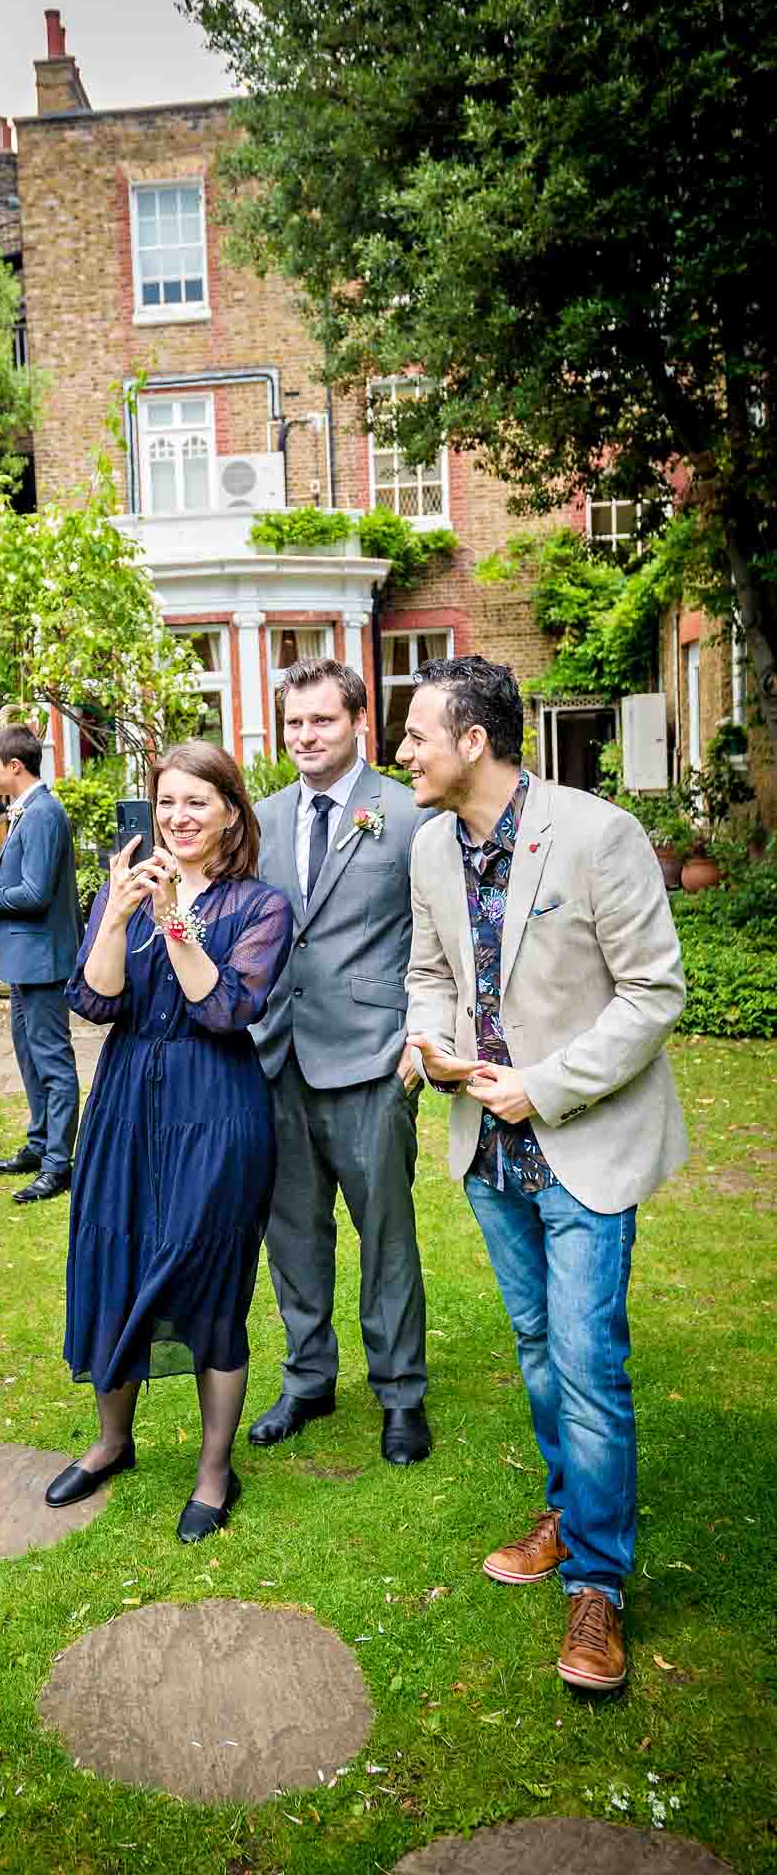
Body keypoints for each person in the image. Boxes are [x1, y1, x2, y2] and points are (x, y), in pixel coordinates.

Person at [400, 655, 687, 1692]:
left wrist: (544, 1086)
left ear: (473, 741)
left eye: (417, 735)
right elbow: (431, 975)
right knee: (533, 1349)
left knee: (587, 1362)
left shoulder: (596, 833)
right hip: (485, 1152)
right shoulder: (431, 848)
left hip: (584, 1146)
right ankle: (571, 1517)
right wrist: (424, 1040)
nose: (404, 752)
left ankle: (601, 1587)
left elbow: (655, 992)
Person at [45, 741, 293, 1542]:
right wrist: (116, 916)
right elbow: (94, 999)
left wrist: (174, 926)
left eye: (197, 803)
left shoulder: (261, 907)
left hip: (217, 1110)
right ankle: (113, 1441)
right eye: (166, 804)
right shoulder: (124, 891)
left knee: (207, 1273)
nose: (178, 818)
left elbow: (224, 1011)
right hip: (125, 1107)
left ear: (230, 814)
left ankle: (215, 1472)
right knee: (112, 1259)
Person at [247, 658, 433, 1466]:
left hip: (372, 1062)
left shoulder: (407, 812)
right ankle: (308, 1378)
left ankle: (400, 1393)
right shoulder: (261, 818)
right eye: (293, 722)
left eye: (321, 721)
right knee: (291, 1234)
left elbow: (441, 941)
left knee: (385, 1234)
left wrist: (422, 1043)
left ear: (360, 721)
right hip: (276, 1058)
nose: (305, 736)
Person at [0, 724, 81, 1204]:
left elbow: (37, 893)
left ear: (14, 767)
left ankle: (59, 1164)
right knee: (28, 1056)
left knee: (52, 1060)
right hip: (26, 959)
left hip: (43, 961)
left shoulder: (43, 814)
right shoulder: (30, 811)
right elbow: (24, 890)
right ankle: (40, 1143)